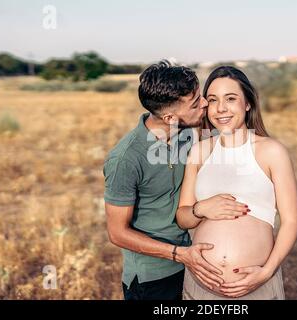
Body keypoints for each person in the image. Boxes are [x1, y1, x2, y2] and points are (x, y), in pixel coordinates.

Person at [103, 61, 247, 300]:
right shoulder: (126, 159)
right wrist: (180, 254)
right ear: (170, 117)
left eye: (201, 96)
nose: (204, 104)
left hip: (197, 263)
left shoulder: (188, 133)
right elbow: (117, 233)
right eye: (195, 103)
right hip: (153, 279)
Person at [176, 66, 297, 299]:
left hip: (256, 286)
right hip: (200, 286)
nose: (221, 108)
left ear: (247, 103)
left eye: (230, 99)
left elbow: (292, 220)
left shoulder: (271, 151)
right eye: (212, 100)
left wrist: (266, 272)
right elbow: (183, 218)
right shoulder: (199, 152)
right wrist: (201, 208)